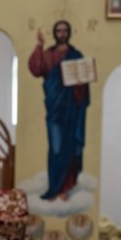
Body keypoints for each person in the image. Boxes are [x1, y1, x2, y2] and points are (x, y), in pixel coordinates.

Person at [28, 20, 91, 200]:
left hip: (72, 109)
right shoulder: (48, 55)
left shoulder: (76, 55)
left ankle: (66, 187)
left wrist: (80, 84)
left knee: (69, 148)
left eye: (65, 30)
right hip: (55, 109)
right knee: (56, 148)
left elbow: (83, 83)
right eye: (58, 30)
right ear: (54, 33)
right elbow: (36, 69)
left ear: (69, 32)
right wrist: (39, 46)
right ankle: (54, 187)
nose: (62, 33)